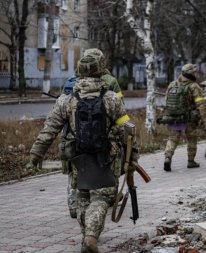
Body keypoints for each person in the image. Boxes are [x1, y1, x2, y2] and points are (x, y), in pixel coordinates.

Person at [28, 53, 135, 252]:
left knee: (83, 197)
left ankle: (86, 236)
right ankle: (91, 238)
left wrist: (36, 155)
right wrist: (132, 156)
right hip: (105, 158)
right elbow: (126, 131)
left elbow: (50, 129)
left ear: (78, 71)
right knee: (101, 198)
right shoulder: (111, 99)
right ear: (101, 70)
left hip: (77, 158)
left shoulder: (66, 100)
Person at [62, 48, 123, 219]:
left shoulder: (70, 81)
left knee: (74, 172)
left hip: (73, 138)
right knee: (105, 169)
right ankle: (103, 198)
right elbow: (119, 108)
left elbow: (63, 108)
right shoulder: (110, 80)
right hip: (102, 139)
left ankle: (74, 204)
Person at [162, 63, 206, 172]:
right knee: (192, 138)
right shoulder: (194, 86)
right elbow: (200, 105)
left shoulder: (172, 84)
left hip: (174, 117)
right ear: (191, 73)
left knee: (173, 139)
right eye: (194, 72)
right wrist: (205, 121)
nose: (195, 73)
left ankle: (168, 157)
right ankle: (191, 161)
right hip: (189, 118)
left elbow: (166, 102)